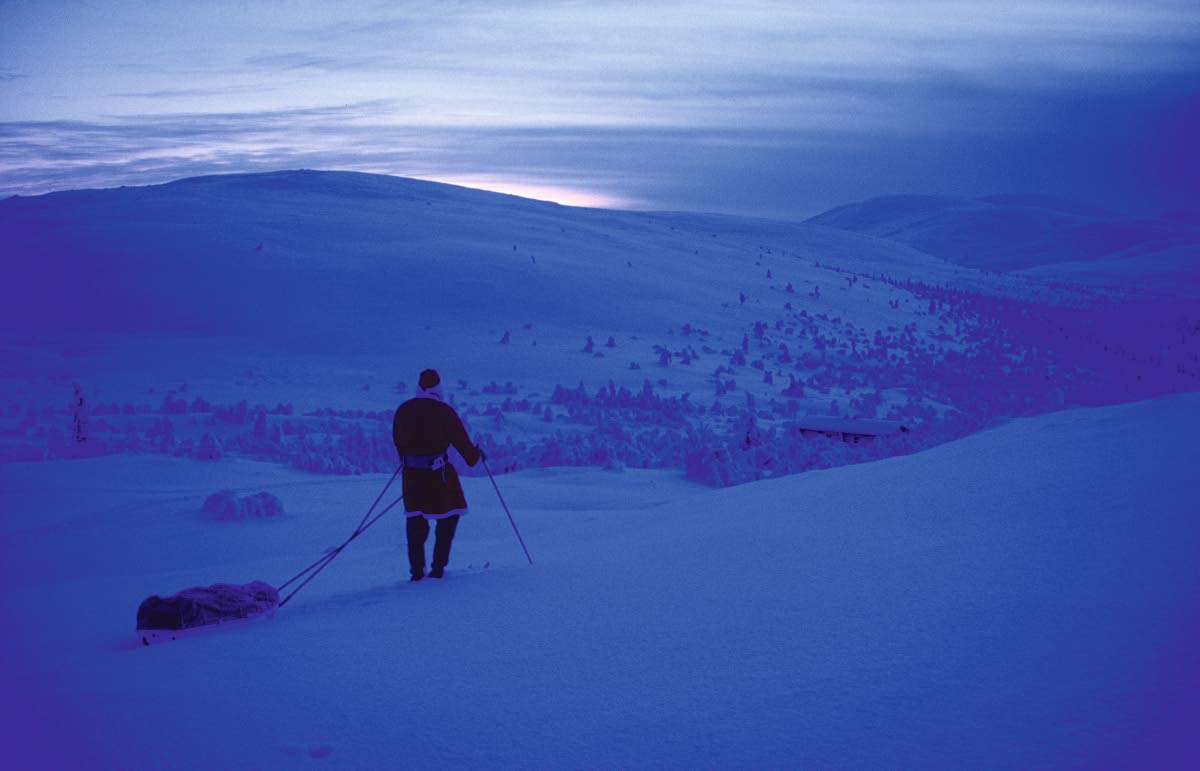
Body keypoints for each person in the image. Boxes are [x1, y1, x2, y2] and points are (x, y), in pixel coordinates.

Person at [392, 369, 484, 581]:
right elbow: (466, 451)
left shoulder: (403, 410)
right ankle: (437, 569)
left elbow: (398, 442)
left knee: (415, 520)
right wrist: (476, 455)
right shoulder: (445, 412)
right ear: (438, 388)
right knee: (449, 516)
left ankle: (416, 572)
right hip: (439, 476)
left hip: (411, 477)